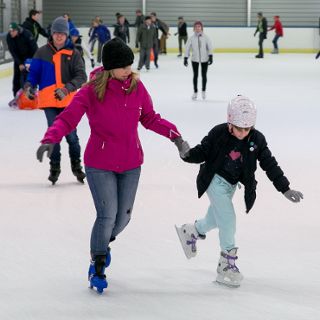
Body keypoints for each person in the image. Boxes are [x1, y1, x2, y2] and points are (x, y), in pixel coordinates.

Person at [35, 38, 185, 293]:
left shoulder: (137, 87)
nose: (129, 70)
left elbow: (149, 117)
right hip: (100, 163)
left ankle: (102, 245)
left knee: (123, 218)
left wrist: (176, 136)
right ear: (110, 68)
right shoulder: (92, 90)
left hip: (130, 162)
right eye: (124, 66)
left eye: (130, 65)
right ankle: (99, 263)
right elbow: (68, 117)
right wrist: (51, 138)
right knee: (106, 216)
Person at [174, 95, 303, 287]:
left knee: (215, 219)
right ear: (230, 122)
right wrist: (187, 153)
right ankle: (226, 264)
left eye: (247, 129)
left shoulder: (257, 139)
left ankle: (192, 231)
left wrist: (284, 188)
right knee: (228, 219)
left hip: (232, 185)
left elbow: (269, 163)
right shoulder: (219, 133)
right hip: (214, 181)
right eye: (239, 128)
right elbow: (202, 151)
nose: (243, 133)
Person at [25, 16, 87, 184]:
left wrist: (67, 88)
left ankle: (76, 166)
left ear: (67, 35)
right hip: (49, 102)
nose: (59, 36)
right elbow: (34, 74)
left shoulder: (73, 54)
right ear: (51, 34)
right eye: (56, 33)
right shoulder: (42, 52)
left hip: (68, 102)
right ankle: (55, 167)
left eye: (62, 33)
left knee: (72, 137)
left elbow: (82, 76)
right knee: (54, 135)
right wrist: (29, 86)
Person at [6, 22, 37, 100]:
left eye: (13, 31)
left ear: (17, 30)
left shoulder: (27, 34)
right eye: (10, 31)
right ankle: (17, 97)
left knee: (30, 76)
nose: (11, 33)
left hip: (30, 57)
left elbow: (34, 48)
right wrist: (19, 63)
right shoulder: (9, 37)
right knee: (17, 78)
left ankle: (33, 95)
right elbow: (13, 52)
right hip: (19, 59)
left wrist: (32, 61)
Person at [184, 21, 213, 100]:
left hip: (205, 59)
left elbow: (209, 47)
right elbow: (187, 48)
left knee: (204, 75)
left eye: (199, 27)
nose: (197, 28)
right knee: (195, 76)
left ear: (201, 28)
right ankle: (195, 92)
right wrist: (185, 58)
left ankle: (203, 91)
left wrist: (210, 56)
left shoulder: (206, 37)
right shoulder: (191, 38)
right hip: (194, 59)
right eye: (196, 27)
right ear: (194, 28)